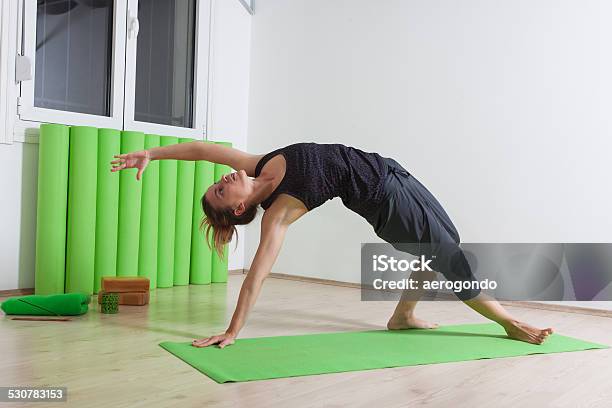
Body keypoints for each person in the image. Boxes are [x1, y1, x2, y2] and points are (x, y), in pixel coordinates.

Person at [111, 141, 554, 348]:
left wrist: (153, 154)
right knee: (449, 258)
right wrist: (233, 330)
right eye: (222, 193)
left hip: (391, 170)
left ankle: (402, 316)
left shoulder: (256, 164)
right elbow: (255, 279)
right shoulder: (280, 212)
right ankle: (509, 323)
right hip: (386, 200)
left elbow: (201, 150)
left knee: (446, 244)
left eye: (217, 184)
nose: (223, 180)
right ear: (241, 210)